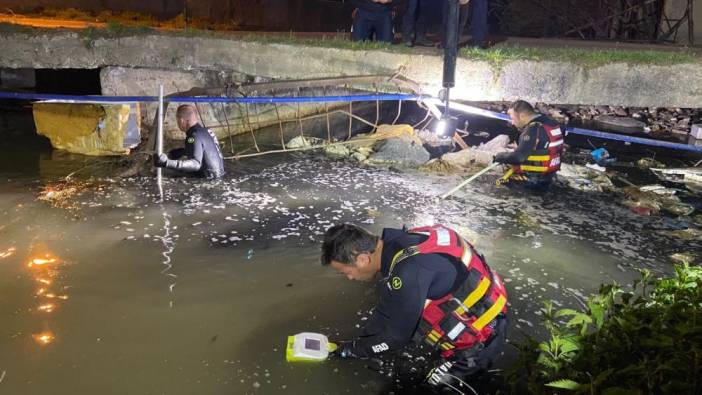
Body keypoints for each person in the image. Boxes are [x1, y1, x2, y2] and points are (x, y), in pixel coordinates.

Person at [321, 223, 508, 392]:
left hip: (483, 338)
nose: (350, 278)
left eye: (346, 272)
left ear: (362, 259)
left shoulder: (410, 271)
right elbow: (387, 308)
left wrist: (349, 350)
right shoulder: (406, 243)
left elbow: (395, 338)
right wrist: (357, 343)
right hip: (485, 305)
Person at [494, 100, 564, 190]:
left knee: (497, 183)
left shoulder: (533, 129)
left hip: (532, 181)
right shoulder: (550, 122)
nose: (512, 122)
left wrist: (499, 157)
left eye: (512, 118)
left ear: (522, 116)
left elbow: (519, 157)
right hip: (550, 176)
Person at [153, 104, 225, 179]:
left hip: (207, 181)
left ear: (181, 120)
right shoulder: (206, 131)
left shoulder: (193, 136)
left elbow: (195, 164)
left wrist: (166, 163)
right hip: (219, 175)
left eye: (177, 120)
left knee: (158, 172)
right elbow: (198, 150)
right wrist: (173, 154)